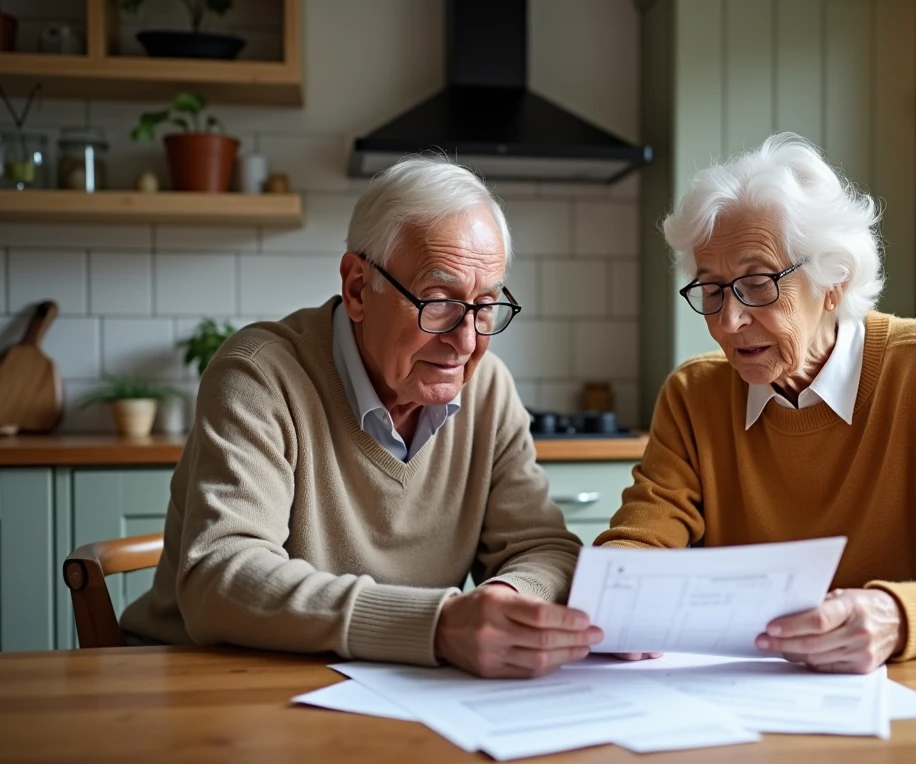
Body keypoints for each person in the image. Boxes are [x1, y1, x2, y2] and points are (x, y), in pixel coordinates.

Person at [596, 133, 916, 673]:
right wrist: (615, 601)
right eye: (712, 289)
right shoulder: (694, 395)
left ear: (833, 279)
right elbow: (637, 548)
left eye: (758, 283)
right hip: (754, 697)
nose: (727, 321)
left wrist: (901, 617)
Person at [122, 156, 600, 678]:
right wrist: (438, 625)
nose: (465, 342)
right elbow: (221, 576)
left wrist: (507, 601)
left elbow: (543, 547)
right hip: (203, 682)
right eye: (438, 302)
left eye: (485, 306)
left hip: (385, 688)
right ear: (356, 288)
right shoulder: (260, 375)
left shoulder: (489, 388)